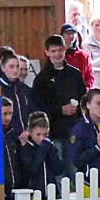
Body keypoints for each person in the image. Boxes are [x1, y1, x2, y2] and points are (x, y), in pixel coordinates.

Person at [32, 35, 87, 163]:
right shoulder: (41, 79)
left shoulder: (75, 74)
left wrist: (78, 110)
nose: (57, 54)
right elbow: (39, 106)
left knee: (75, 167)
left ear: (65, 49)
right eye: (53, 51)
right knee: (59, 170)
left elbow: (85, 99)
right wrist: (59, 110)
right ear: (47, 52)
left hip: (74, 128)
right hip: (53, 131)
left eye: (60, 50)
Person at [0, 51, 36, 141]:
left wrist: (29, 130)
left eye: (17, 66)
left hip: (26, 137)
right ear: (3, 68)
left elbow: (32, 111)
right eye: (11, 67)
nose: (15, 70)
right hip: (7, 139)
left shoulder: (25, 89)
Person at [61, 24, 94, 90]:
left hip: (81, 92)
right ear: (62, 35)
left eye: (73, 33)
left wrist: (86, 89)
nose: (71, 36)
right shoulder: (58, 55)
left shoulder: (84, 55)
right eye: (67, 33)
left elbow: (90, 74)